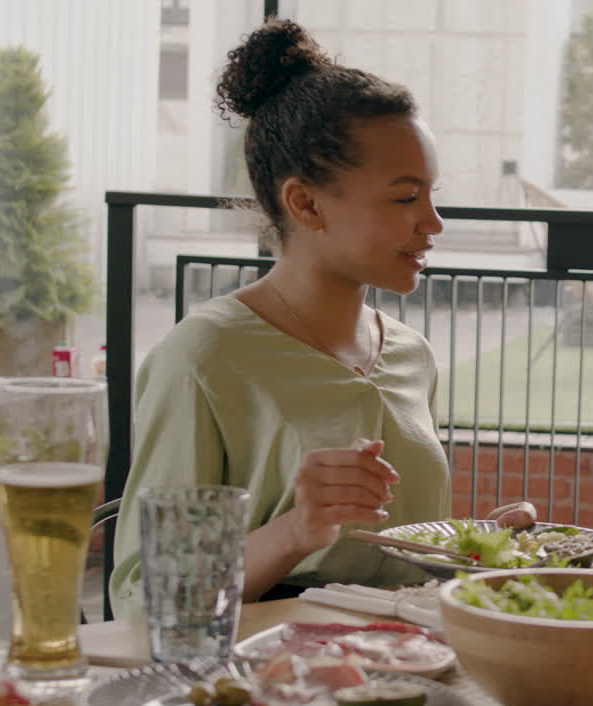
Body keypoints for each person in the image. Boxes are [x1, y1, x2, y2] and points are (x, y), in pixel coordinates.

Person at [110, 18, 449, 618]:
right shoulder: (204, 356)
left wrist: (483, 546)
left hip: (409, 674)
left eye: (430, 194)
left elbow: (411, 564)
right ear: (306, 203)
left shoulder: (412, 355)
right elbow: (146, 600)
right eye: (405, 197)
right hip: (272, 684)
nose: (434, 222)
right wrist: (297, 529)